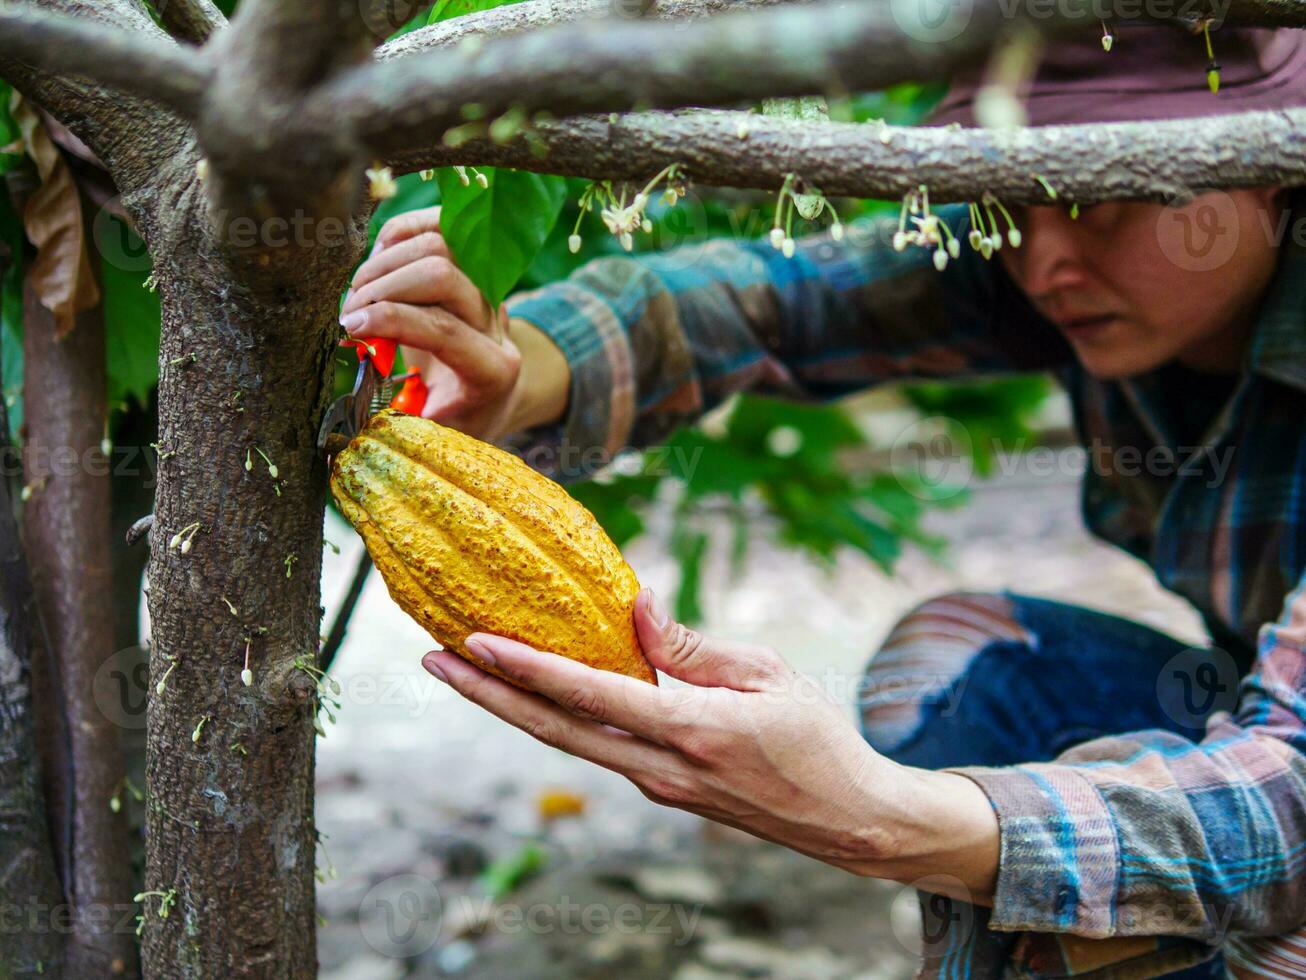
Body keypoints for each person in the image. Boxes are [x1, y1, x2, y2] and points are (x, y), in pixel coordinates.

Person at [338, 25, 1306, 979]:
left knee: (1242, 921)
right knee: (953, 676)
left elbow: (1288, 800)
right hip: (1255, 697)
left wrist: (879, 817)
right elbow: (776, 304)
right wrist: (521, 370)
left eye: (1102, 198)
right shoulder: (1056, 268)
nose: (1044, 255)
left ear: (1270, 168)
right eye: (1011, 198)